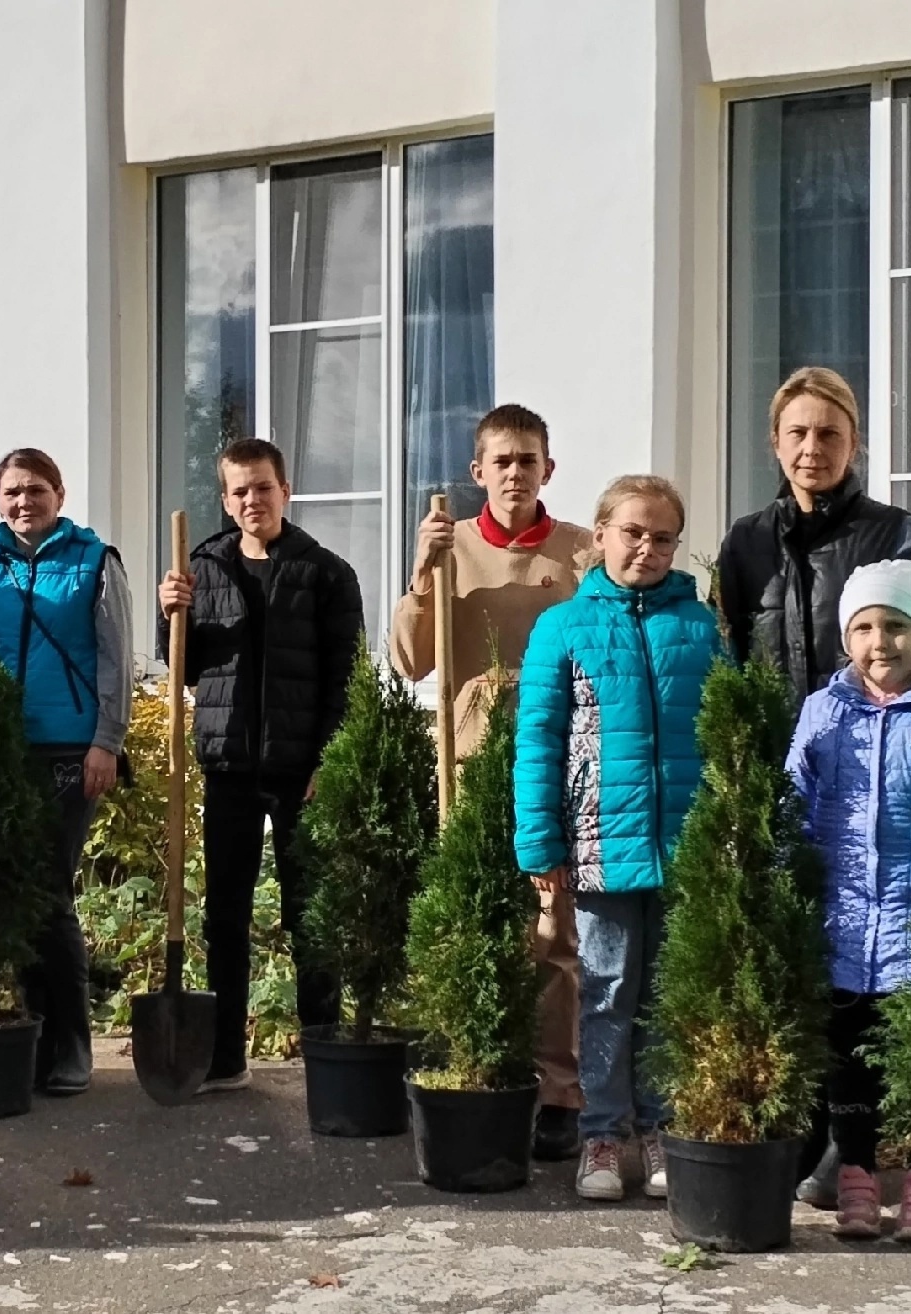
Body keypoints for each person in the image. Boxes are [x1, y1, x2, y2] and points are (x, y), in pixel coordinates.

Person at [388, 403, 594, 1160]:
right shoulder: (452, 547)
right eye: (500, 460)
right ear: (478, 473)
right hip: (471, 764)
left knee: (554, 933)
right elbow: (411, 663)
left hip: (557, 763)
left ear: (548, 469)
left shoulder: (581, 556)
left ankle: (555, 1091)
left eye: (527, 459)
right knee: (478, 924)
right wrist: (422, 577)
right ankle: (482, 1062)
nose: (515, 472)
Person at [513, 474, 721, 1204]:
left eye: (663, 538)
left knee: (667, 994)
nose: (647, 548)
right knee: (604, 991)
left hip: (684, 846)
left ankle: (662, 1128)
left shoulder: (701, 628)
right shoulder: (564, 628)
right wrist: (541, 845)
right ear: (599, 535)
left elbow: (724, 738)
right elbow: (536, 739)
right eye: (633, 532)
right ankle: (602, 1131)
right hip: (601, 844)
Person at [157, 437, 365, 1093]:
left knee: (313, 914)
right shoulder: (201, 568)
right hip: (229, 765)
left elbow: (346, 681)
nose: (252, 500)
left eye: (263, 487)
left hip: (302, 771)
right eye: (239, 490)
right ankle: (225, 1058)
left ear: (285, 491)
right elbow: (183, 670)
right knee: (225, 915)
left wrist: (328, 762)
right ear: (226, 499)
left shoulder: (326, 573)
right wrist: (171, 619)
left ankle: (322, 1051)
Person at [0, 449, 132, 1096]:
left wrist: (106, 741)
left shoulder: (94, 562)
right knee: (19, 897)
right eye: (11, 492)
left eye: (35, 490)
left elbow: (115, 655)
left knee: (49, 894)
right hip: (2, 751)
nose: (23, 502)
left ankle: (71, 1046)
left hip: (69, 749)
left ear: (59, 492)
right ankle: (33, 1038)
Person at [783, 558, 911, 1244]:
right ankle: (855, 1180)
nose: (881, 642)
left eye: (896, 626)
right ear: (847, 637)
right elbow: (795, 796)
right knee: (848, 1064)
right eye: (865, 627)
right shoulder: (824, 711)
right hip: (843, 924)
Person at [716, 367, 911, 700]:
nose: (812, 448)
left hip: (869, 744)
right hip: (772, 749)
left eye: (828, 434)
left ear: (853, 444)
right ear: (776, 442)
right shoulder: (745, 541)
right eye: (798, 433)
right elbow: (725, 657)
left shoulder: (893, 533)